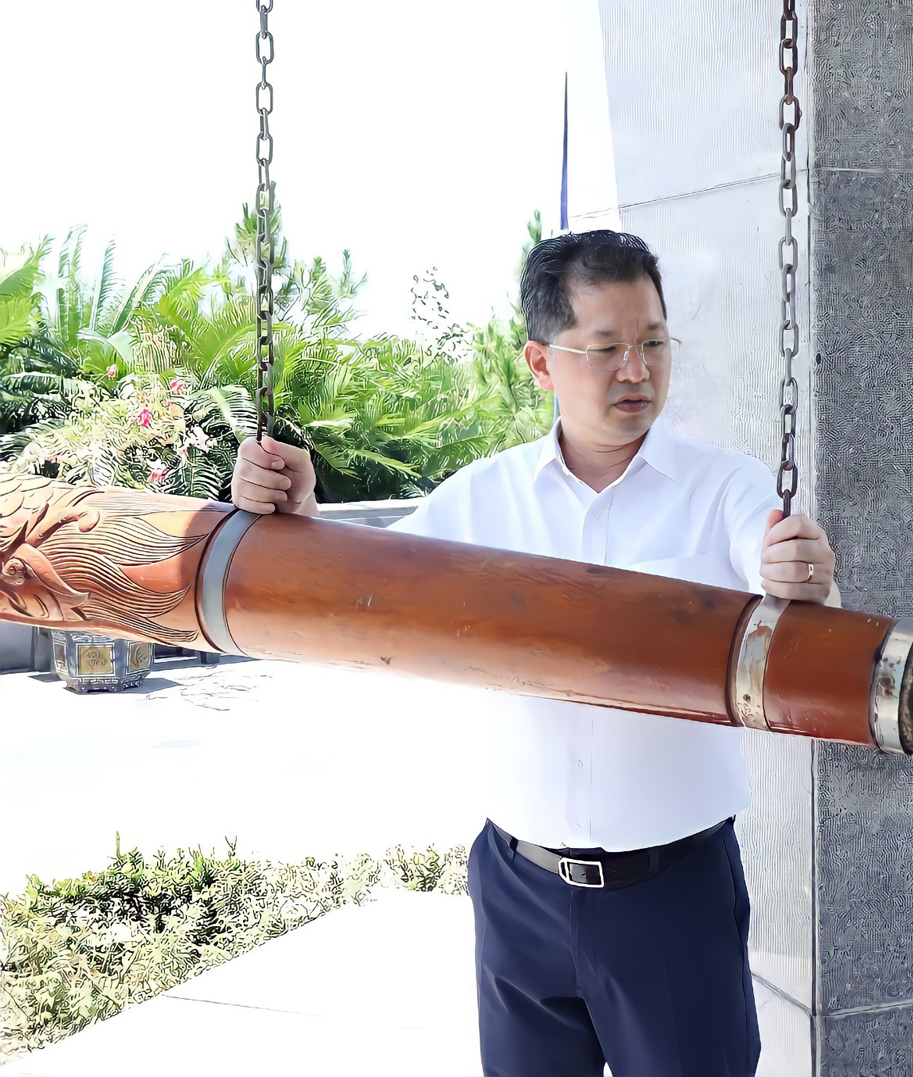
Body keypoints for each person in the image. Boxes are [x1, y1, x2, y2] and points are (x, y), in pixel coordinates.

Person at [230, 229, 832, 1076]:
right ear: (541, 362)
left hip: (669, 896)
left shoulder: (725, 488)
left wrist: (791, 570)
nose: (638, 369)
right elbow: (361, 595)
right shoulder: (482, 497)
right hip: (518, 887)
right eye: (606, 347)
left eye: (655, 343)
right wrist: (299, 515)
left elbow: (775, 569)